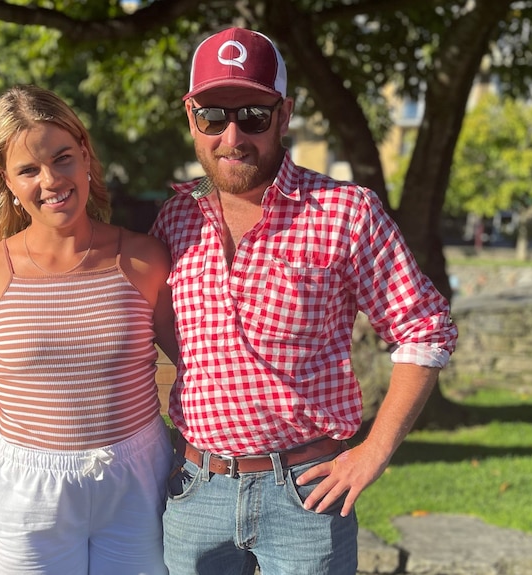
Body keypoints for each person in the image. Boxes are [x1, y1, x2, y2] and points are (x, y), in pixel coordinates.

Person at [150, 27, 459, 575]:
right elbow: (170, 332)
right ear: (191, 118)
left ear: (285, 113)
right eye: (213, 117)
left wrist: (373, 452)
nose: (232, 136)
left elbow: (425, 328)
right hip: (194, 492)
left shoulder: (344, 212)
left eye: (253, 114)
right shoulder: (175, 219)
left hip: (306, 497)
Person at [0, 85, 177, 575]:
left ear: (86, 156)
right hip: (27, 492)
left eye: (63, 158)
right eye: (28, 170)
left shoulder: (144, 258)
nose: (51, 180)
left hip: (137, 479)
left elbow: (198, 366)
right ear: (6, 180)